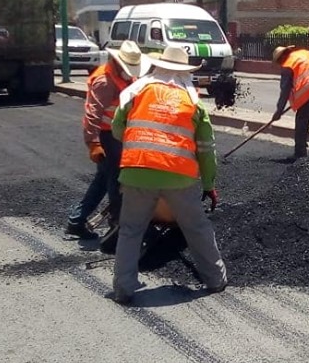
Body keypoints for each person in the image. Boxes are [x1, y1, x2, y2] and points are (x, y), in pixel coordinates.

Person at [109, 45, 227, 304]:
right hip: (178, 177)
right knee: (196, 228)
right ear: (185, 72)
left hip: (136, 172)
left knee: (130, 230)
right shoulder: (193, 103)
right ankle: (216, 279)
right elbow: (207, 150)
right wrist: (209, 184)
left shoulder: (136, 93)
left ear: (158, 67)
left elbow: (118, 130)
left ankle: (124, 288)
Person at [65, 40, 146, 244]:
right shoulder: (104, 80)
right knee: (116, 181)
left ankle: (76, 221)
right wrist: (93, 143)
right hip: (106, 136)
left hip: (118, 135)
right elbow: (92, 114)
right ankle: (117, 226)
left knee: (102, 180)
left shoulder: (125, 77)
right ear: (117, 62)